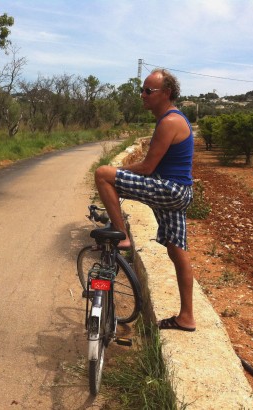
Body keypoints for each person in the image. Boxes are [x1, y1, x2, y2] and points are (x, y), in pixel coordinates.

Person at [94, 69, 195, 331]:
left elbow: (148, 167)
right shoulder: (172, 119)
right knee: (177, 250)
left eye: (148, 91)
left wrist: (118, 171)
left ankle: (121, 234)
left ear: (167, 93)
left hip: (169, 190)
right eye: (143, 90)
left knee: (104, 175)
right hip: (179, 191)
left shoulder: (169, 121)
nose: (143, 95)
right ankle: (187, 317)